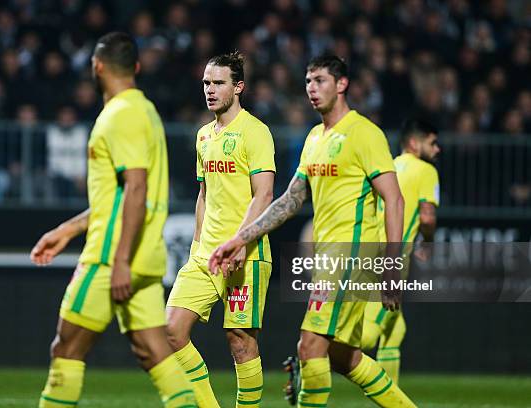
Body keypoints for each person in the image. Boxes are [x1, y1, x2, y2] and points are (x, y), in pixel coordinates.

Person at [209, 53, 417, 407]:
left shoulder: (364, 133)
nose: (311, 89)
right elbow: (290, 201)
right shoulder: (315, 138)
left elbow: (394, 200)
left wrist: (393, 264)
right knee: (341, 356)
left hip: (354, 253)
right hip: (330, 257)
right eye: (307, 81)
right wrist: (242, 237)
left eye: (319, 80)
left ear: (342, 84)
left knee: (310, 345)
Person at [30, 32, 196, 408]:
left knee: (67, 347)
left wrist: (119, 259)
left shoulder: (120, 115)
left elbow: (135, 188)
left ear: (96, 66)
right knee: (153, 352)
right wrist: (68, 229)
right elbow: (121, 194)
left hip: (111, 257)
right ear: (136, 68)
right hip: (144, 256)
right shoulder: (147, 112)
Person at [166, 51, 275, 408]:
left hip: (248, 255)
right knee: (170, 332)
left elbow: (265, 194)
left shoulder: (256, 132)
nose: (210, 90)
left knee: (240, 342)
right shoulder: (203, 136)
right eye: (206, 83)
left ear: (238, 86)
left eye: (218, 83)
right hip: (206, 255)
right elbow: (204, 195)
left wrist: (242, 241)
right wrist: (198, 246)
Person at [362, 119, 440, 384]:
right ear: (415, 143)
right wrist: (428, 242)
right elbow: (427, 218)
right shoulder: (426, 170)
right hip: (392, 260)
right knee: (369, 335)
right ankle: (312, 359)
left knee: (395, 331)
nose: (437, 149)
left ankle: (390, 399)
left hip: (370, 251)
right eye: (432, 142)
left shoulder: (389, 166)